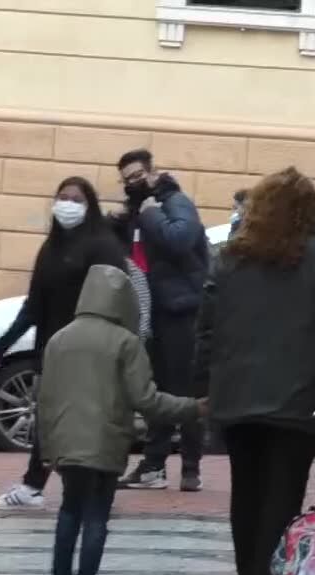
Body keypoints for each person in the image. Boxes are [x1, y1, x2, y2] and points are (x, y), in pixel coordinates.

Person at [192, 168, 315, 575]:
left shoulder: (229, 260)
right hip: (298, 396)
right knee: (283, 492)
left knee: (246, 489)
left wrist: (204, 384)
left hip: (238, 393)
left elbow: (207, 330)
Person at [38, 263, 205, 575]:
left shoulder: (59, 339)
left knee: (70, 510)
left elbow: (46, 400)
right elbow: (146, 400)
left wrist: (48, 447)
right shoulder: (127, 343)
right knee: (97, 515)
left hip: (66, 444)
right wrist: (193, 408)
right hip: (107, 441)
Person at [0, 177, 128, 510]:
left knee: (83, 422)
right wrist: (2, 345)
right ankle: (33, 487)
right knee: (49, 420)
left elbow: (117, 297)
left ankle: (85, 488)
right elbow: (34, 304)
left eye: (76, 199)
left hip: (90, 351)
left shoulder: (102, 245)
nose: (67, 204)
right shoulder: (51, 248)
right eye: (62, 197)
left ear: (89, 205)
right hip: (51, 349)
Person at [111, 149, 209, 492]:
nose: (132, 183)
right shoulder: (138, 213)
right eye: (126, 180)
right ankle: (154, 466)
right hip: (155, 313)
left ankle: (190, 467)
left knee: (185, 388)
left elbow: (182, 239)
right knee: (158, 391)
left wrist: (151, 215)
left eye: (138, 176)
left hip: (182, 311)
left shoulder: (173, 202)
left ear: (153, 173)